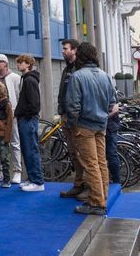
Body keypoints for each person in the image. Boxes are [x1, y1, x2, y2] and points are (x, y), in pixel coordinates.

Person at [64, 41, 116, 215]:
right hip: (101, 124)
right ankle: (102, 197)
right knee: (101, 162)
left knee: (91, 164)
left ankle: (96, 202)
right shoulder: (105, 75)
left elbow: (72, 106)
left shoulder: (77, 76)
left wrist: (73, 124)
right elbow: (111, 103)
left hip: (84, 126)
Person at [56, 39, 87, 201]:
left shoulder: (79, 70)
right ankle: (78, 184)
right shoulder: (67, 69)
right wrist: (61, 112)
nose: (62, 51)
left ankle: (87, 186)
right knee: (73, 153)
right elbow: (62, 92)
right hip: (66, 117)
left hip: (77, 119)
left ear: (74, 50)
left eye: (65, 48)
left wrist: (74, 115)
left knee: (82, 153)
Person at [14, 54, 44, 192]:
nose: (18, 65)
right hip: (26, 118)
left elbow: (34, 104)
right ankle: (32, 179)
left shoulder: (29, 80)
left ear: (28, 64)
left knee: (31, 150)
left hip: (28, 119)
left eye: (21, 62)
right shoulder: (26, 79)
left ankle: (37, 181)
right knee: (27, 150)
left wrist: (23, 115)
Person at [0, 54, 23, 185]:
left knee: (14, 142)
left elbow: (19, 95)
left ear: (5, 64)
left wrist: (18, 112)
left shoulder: (15, 77)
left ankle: (17, 171)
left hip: (11, 114)